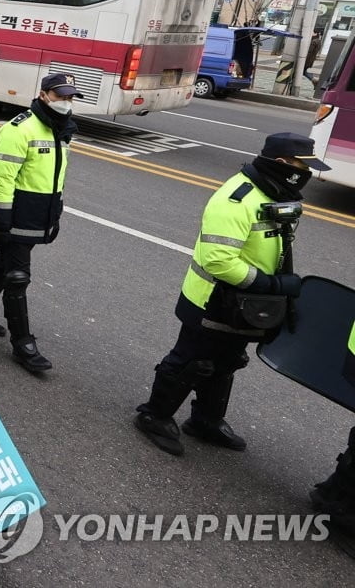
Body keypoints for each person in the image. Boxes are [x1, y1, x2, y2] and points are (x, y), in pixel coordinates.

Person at [135, 133, 330, 456]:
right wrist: (274, 286)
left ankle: (206, 420)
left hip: (246, 303)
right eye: (301, 165)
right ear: (282, 164)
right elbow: (218, 260)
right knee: (191, 361)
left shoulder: (276, 192)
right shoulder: (237, 199)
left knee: (226, 362)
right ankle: (154, 415)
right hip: (211, 300)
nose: (306, 173)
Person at [0, 73, 81, 371]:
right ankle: (22, 343)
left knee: (3, 264)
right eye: (60, 96)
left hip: (39, 214)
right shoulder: (19, 129)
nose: (65, 103)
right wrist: (1, 222)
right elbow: (3, 180)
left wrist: (56, 213)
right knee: (17, 277)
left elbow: (57, 177)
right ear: (43, 95)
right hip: (15, 215)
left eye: (69, 98)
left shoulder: (62, 129)